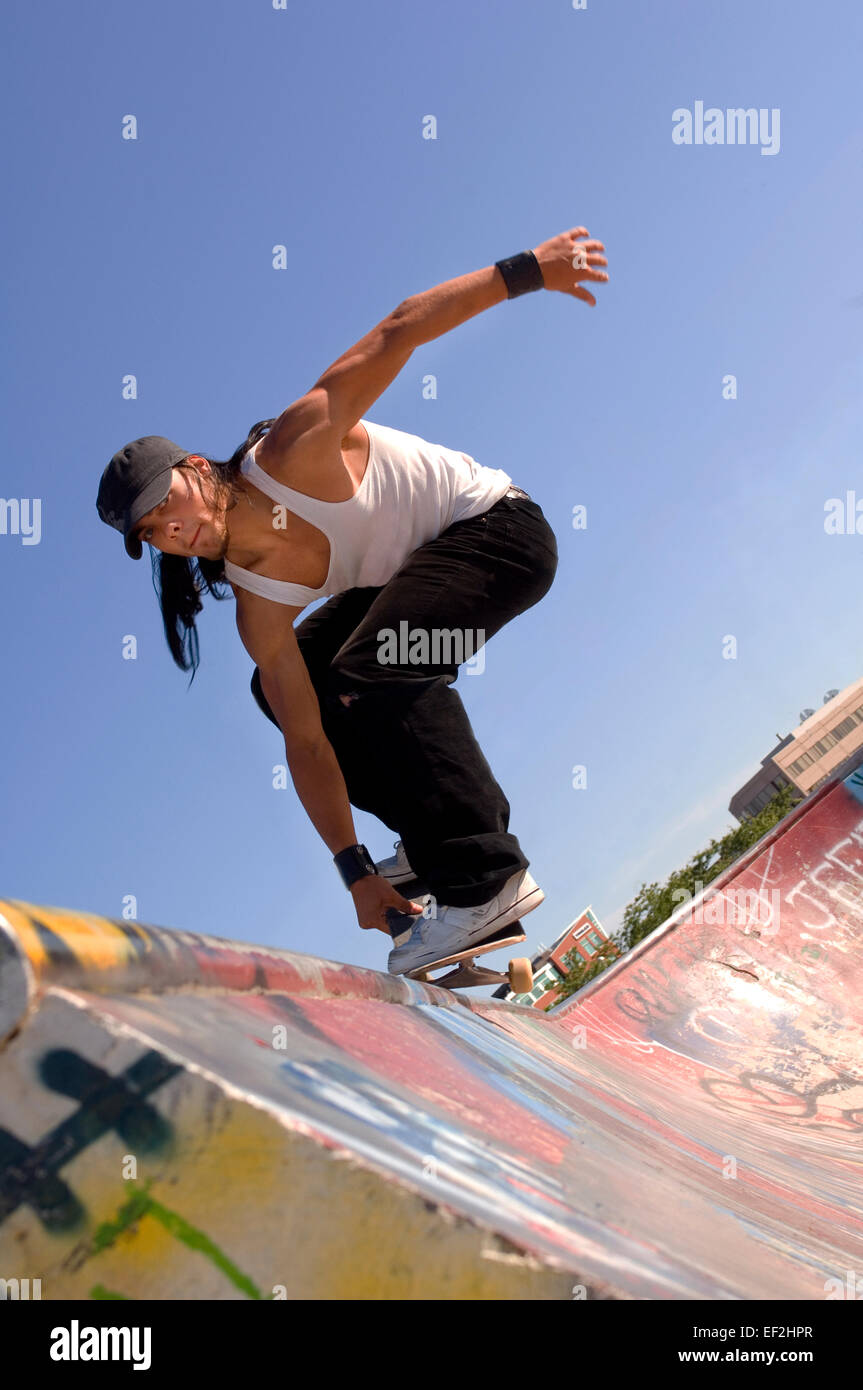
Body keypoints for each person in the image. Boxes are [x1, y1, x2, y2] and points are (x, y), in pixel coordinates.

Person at [96, 227, 609, 976]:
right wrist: (354, 869)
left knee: (375, 670)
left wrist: (529, 270)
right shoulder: (256, 606)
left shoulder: (293, 449)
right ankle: (434, 850)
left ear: (197, 468)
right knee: (290, 684)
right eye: (154, 533)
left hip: (503, 537)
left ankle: (484, 879)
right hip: (423, 580)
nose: (173, 529)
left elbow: (400, 330)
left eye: (167, 503)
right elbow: (304, 743)